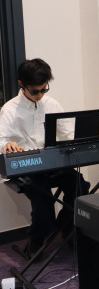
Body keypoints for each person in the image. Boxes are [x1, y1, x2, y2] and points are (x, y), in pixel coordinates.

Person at [0, 58, 90, 260]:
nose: (40, 95)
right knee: (44, 206)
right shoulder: (9, 110)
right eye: (35, 91)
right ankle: (36, 240)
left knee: (80, 186)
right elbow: (1, 140)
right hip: (28, 167)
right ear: (21, 84)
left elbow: (68, 134)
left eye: (44, 90)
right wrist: (6, 145)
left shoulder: (52, 104)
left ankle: (67, 229)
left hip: (53, 163)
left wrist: (80, 142)